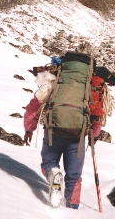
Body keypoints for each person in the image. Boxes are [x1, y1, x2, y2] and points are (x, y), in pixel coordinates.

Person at [23, 54, 102, 209]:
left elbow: (34, 105)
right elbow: (98, 114)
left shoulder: (56, 78)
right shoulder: (90, 84)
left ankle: (53, 173)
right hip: (77, 135)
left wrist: (29, 128)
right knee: (74, 176)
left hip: (54, 130)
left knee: (48, 162)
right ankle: (72, 208)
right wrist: (95, 134)